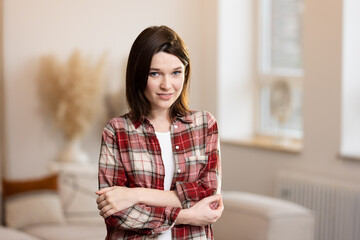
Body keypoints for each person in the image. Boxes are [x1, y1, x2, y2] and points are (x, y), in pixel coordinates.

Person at [96, 25, 223, 240]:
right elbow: (115, 212)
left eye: (176, 73)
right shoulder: (116, 131)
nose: (167, 85)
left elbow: (208, 193)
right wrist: (187, 216)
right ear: (138, 75)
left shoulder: (204, 125)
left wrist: (134, 194)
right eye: (155, 74)